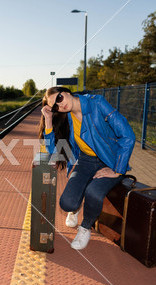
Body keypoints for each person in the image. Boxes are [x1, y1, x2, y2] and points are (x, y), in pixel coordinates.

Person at [40, 87, 135, 250]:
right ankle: (75, 209)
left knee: (93, 192)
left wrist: (117, 169)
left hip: (109, 161)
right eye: (54, 106)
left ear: (68, 92)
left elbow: (128, 135)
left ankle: (85, 228)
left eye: (60, 98)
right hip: (84, 161)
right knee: (67, 203)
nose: (60, 105)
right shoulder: (66, 117)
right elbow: (54, 152)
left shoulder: (97, 103)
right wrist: (48, 119)